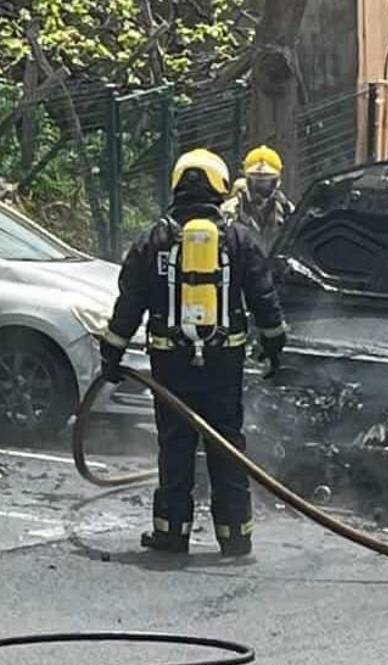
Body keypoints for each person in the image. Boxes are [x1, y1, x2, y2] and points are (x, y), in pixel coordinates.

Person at [98, 148, 288, 556]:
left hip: (171, 362)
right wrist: (274, 348)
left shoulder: (154, 240)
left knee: (175, 443)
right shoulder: (239, 239)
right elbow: (265, 300)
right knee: (227, 445)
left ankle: (172, 531)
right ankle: (235, 536)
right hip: (224, 361)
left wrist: (111, 354)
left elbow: (129, 303)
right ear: (221, 187)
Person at [221, 145, 295, 255]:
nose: (260, 189)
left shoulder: (287, 212)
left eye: (266, 183)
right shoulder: (230, 212)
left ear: (277, 182)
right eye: (256, 182)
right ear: (246, 180)